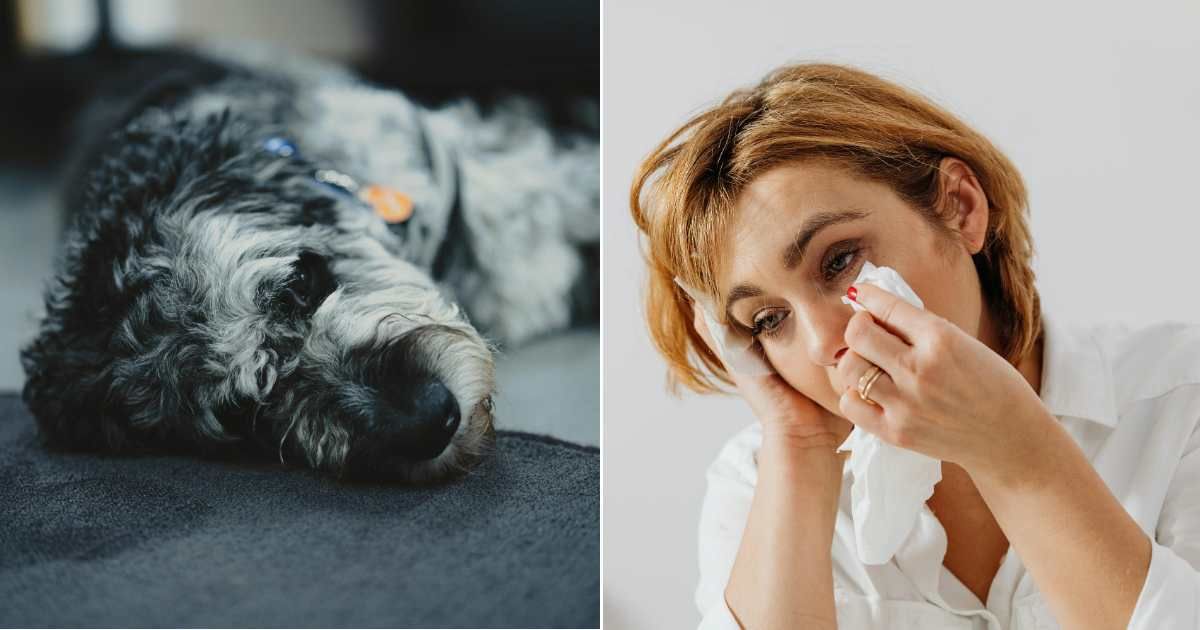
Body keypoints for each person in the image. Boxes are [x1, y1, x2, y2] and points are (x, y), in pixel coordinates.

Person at [629, 62, 1200, 629]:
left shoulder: (1178, 402)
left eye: (839, 261)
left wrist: (1014, 451)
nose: (826, 342)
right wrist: (800, 446)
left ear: (960, 207)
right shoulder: (756, 485)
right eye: (770, 319)